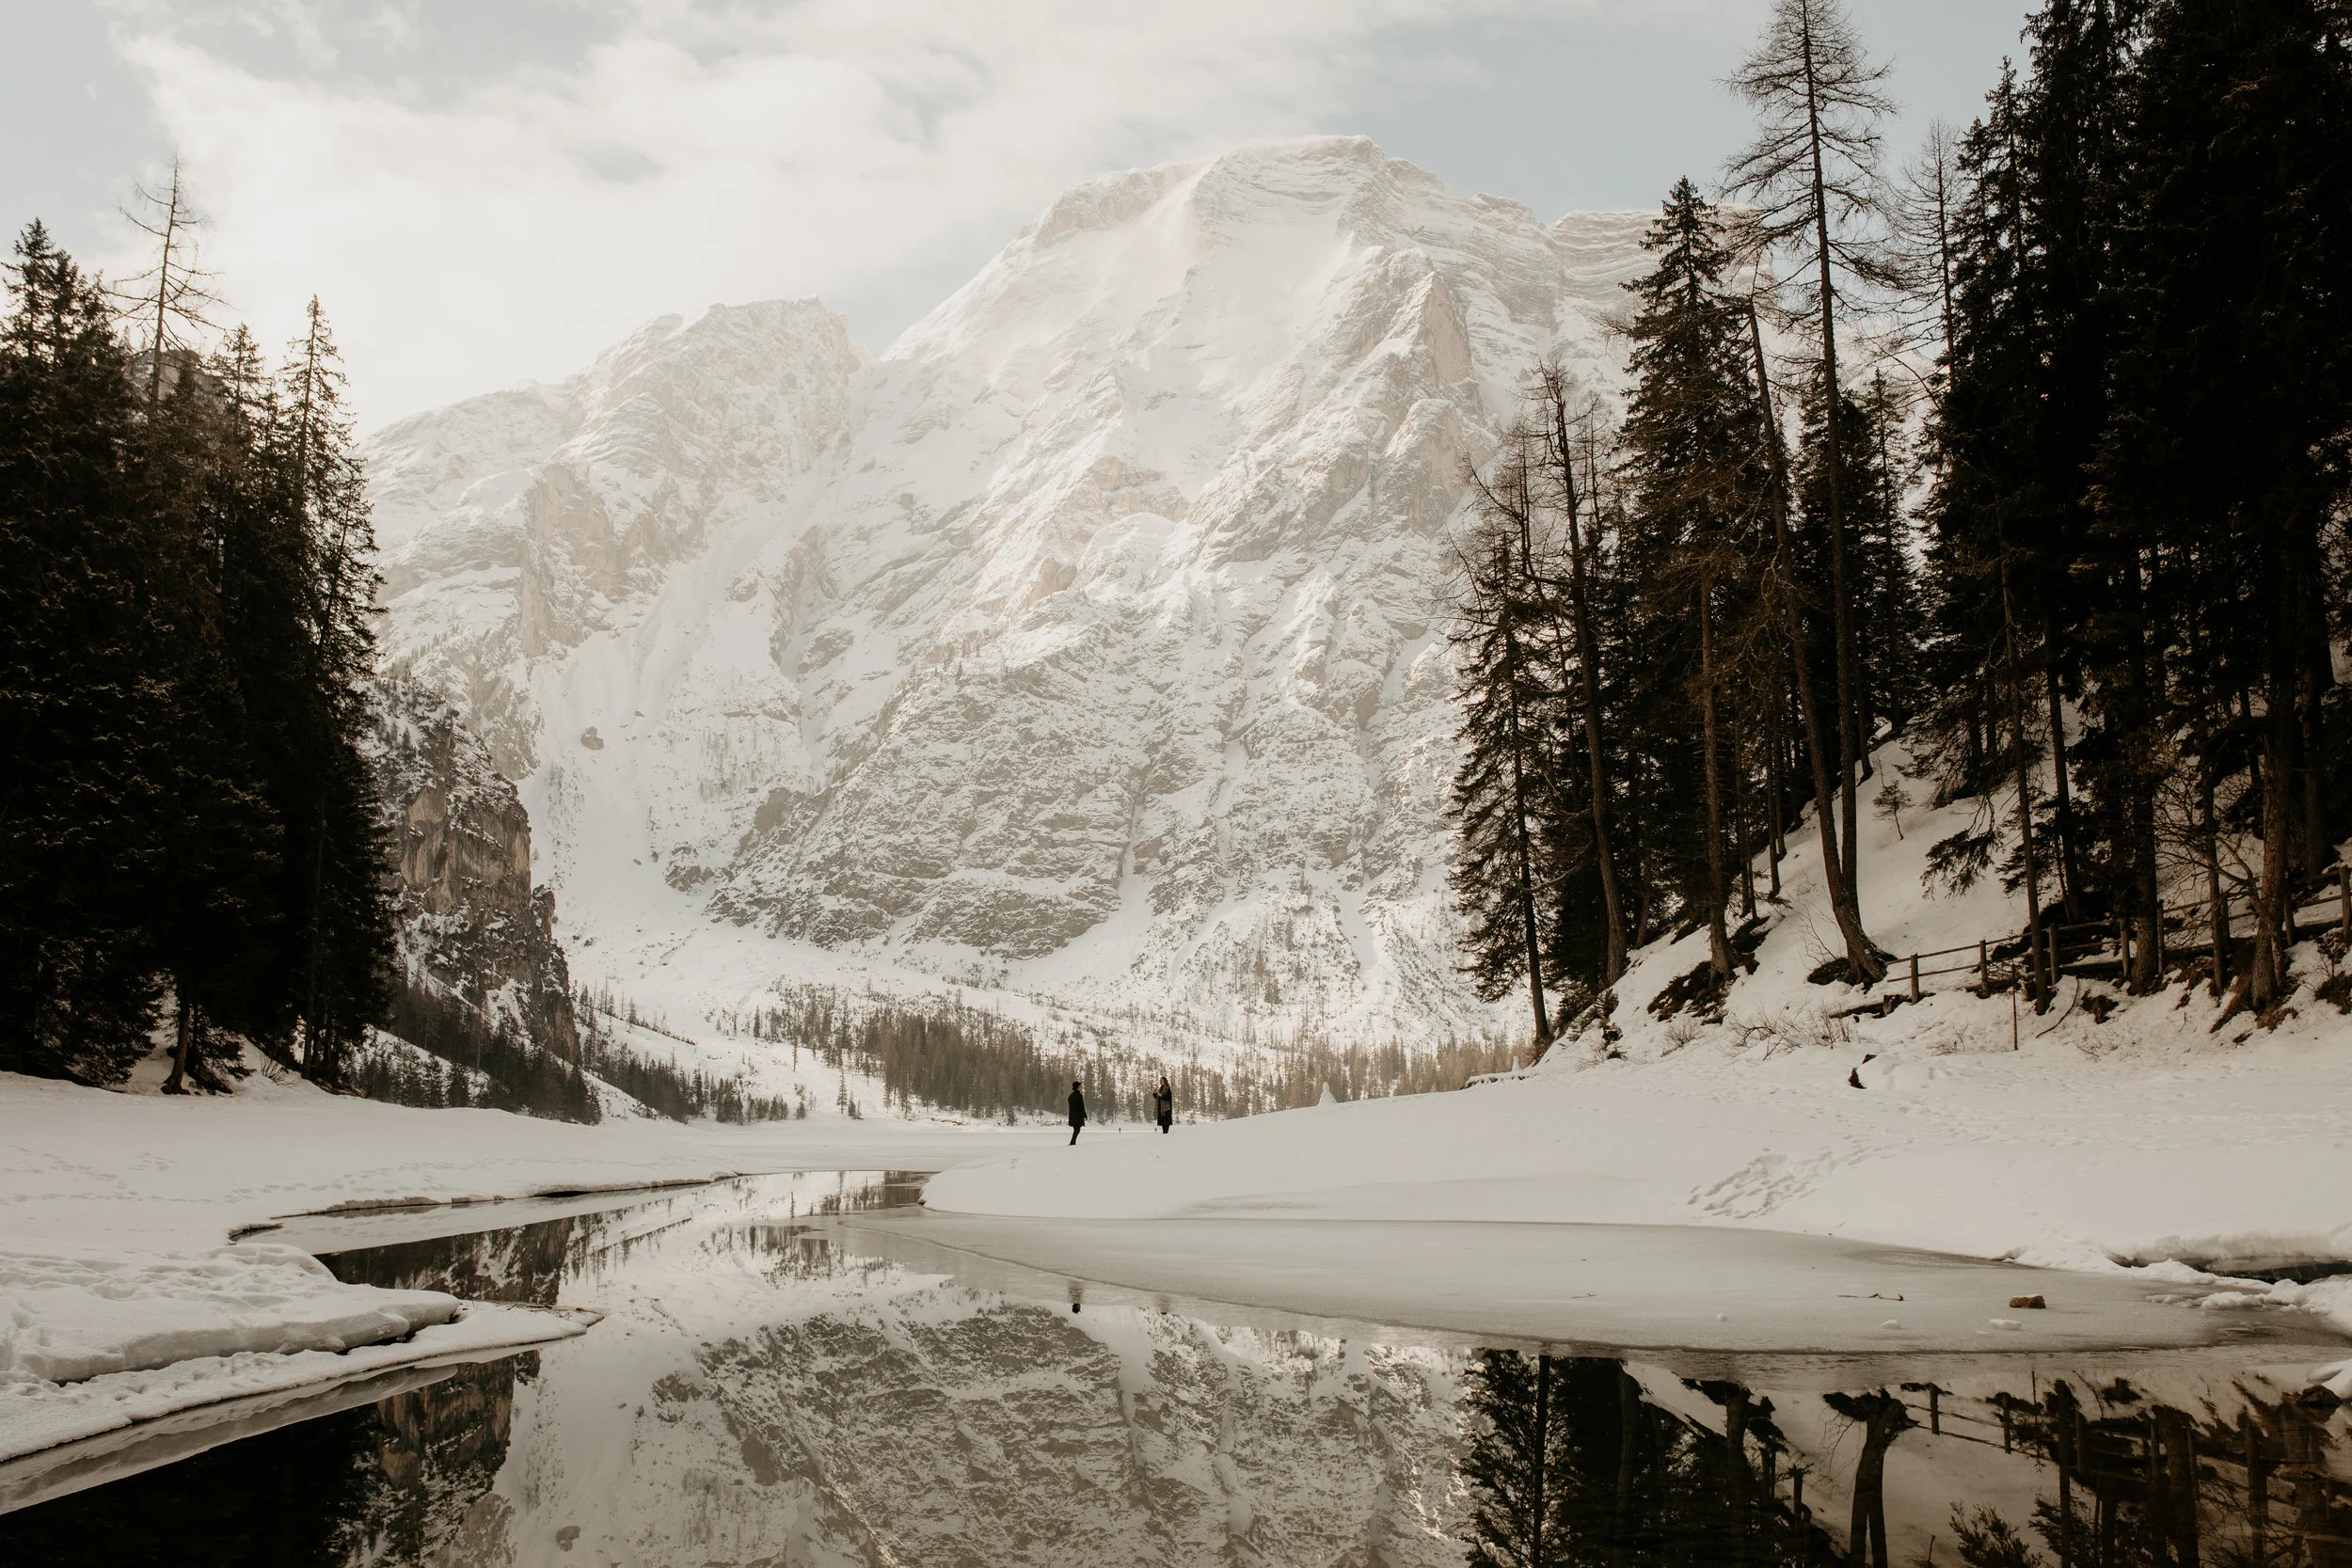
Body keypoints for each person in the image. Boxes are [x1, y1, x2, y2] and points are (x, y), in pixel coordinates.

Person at [1067, 1080, 1087, 1146]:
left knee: (1076, 1129)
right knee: (1077, 1130)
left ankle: (1072, 1143)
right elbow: (1081, 1106)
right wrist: (1084, 1114)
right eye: (1080, 1086)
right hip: (1078, 1116)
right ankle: (1072, 1143)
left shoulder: (1070, 1096)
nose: (1081, 1087)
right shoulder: (1078, 1095)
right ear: (1077, 1087)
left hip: (1072, 1116)